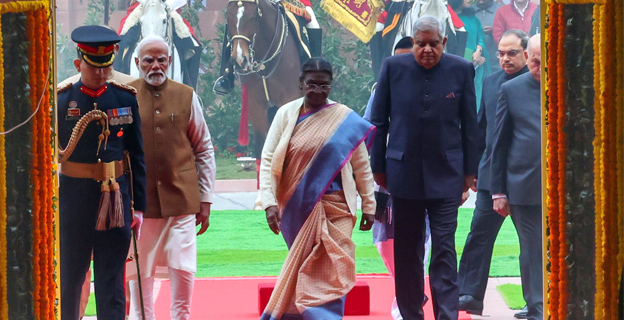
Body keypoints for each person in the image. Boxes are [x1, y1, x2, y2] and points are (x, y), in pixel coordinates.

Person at [370, 15, 479, 320]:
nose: (427, 50)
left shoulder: (461, 69)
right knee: (407, 252)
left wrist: (470, 173)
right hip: (401, 177)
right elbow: (378, 122)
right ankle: (411, 314)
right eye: (421, 44)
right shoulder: (393, 68)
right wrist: (378, 169)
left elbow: (470, 125)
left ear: (444, 42)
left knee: (444, 249)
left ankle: (447, 315)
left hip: (447, 176)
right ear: (412, 42)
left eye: (434, 43)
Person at [258, 57, 376, 319]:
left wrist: (369, 205)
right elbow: (268, 160)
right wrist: (269, 202)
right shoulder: (285, 114)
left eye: (324, 86)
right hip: (297, 206)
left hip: (338, 209)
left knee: (334, 267)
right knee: (304, 268)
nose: (318, 91)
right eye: (312, 85)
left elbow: (362, 166)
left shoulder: (344, 118)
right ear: (301, 84)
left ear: (331, 86)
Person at [57, 25, 146, 320]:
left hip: (116, 199)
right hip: (75, 199)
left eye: (106, 66)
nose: (101, 74)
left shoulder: (125, 98)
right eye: (94, 67)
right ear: (78, 63)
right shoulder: (61, 100)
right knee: (71, 276)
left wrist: (140, 207)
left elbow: (137, 155)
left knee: (112, 278)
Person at [126, 35, 216, 320]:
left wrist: (205, 200)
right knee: (140, 275)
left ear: (170, 61)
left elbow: (203, 149)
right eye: (149, 60)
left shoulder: (187, 95)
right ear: (138, 62)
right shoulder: (124, 95)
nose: (155, 66)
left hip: (181, 203)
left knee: (183, 268)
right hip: (138, 206)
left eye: (161, 59)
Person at [457, 29, 529, 317]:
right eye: (501, 53)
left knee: (532, 243)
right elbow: (480, 128)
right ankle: (468, 295)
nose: (505, 58)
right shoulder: (489, 81)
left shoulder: (538, 83)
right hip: (489, 175)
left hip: (526, 176)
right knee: (478, 237)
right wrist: (472, 169)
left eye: (512, 53)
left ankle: (535, 301)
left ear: (526, 53)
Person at [490, 33, 542, 320]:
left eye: (544, 61)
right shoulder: (511, 90)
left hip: (564, 186)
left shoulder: (568, 82)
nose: (539, 67)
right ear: (527, 57)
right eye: (534, 61)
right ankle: (538, 309)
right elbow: (499, 144)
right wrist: (498, 191)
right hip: (523, 185)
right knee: (532, 247)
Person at [213, 0, 322, 95]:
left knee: (313, 24)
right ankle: (226, 76)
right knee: (238, 19)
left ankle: (314, 75)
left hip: (290, 2)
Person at [451, 0, 491, 110]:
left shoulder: (473, 18)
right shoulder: (448, 18)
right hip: (458, 66)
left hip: (477, 67)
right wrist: (470, 58)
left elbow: (480, 38)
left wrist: (478, 51)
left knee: (476, 96)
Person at [473, 0, 504, 73]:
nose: (481, 2)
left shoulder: (501, 10)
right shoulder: (470, 10)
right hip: (476, 60)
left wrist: (494, 32)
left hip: (497, 60)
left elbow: (509, 33)